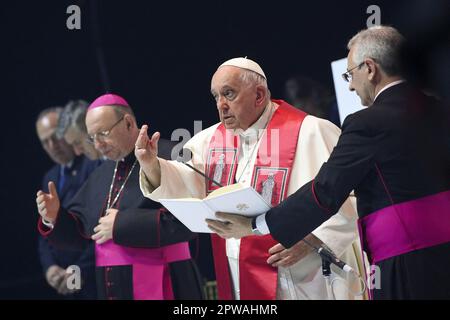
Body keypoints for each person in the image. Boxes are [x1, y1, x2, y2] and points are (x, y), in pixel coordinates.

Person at [211, 27, 450, 299]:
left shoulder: (365, 124)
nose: (349, 85)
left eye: (351, 74)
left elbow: (324, 192)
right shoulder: (440, 109)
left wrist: (257, 225)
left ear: (370, 69)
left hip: (407, 264)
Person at [136, 57, 364, 300]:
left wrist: (314, 240)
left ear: (259, 95)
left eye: (229, 94)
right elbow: (187, 180)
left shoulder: (313, 131)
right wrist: (152, 166)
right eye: (216, 96)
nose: (221, 105)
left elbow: (353, 196)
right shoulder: (209, 140)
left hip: (311, 272)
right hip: (243, 275)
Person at [36, 94, 203, 300]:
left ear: (128, 123)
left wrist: (120, 225)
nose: (98, 145)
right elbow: (82, 233)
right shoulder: (103, 171)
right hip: (115, 287)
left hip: (167, 280)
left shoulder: (171, 154)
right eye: (92, 137)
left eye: (103, 134)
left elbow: (189, 222)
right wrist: (54, 218)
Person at [36, 107, 99, 299]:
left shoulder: (95, 165)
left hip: (93, 277)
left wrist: (79, 270)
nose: (52, 145)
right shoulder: (50, 176)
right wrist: (50, 268)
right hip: (65, 281)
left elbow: (97, 227)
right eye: (45, 142)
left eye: (55, 136)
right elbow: (46, 224)